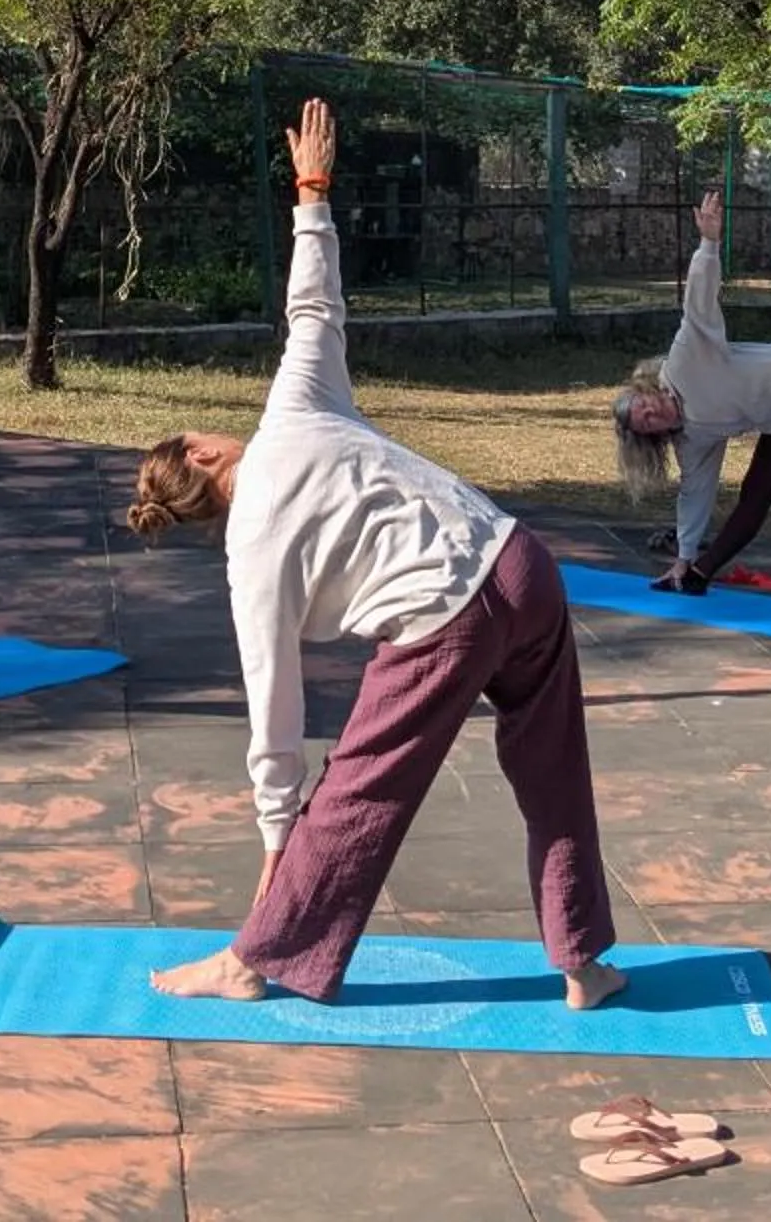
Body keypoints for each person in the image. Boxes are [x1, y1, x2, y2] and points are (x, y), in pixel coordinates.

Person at [128, 98, 625, 1012]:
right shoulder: (293, 410)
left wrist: (279, 833)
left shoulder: (250, 562)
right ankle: (584, 962)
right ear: (203, 456)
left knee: (357, 793)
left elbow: (273, 715)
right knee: (554, 772)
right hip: (521, 561)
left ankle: (252, 959)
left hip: (444, 616)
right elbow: (312, 304)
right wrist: (310, 193)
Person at [611, 191, 771, 625]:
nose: (653, 414)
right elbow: (694, 494)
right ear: (654, 437)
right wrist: (683, 557)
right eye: (647, 423)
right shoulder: (691, 440)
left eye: (647, 405)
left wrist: (708, 245)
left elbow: (696, 306)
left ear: (650, 389)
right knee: (754, 497)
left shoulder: (685, 362)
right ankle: (696, 575)